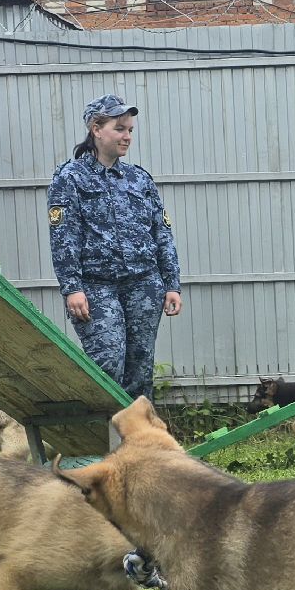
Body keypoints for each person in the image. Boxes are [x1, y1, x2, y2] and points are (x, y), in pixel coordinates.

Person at [48, 94, 182, 401]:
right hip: (96, 287)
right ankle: (104, 440)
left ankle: (139, 446)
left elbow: (162, 232)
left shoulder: (139, 179)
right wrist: (72, 288)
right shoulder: (69, 178)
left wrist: (171, 284)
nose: (127, 136)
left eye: (131, 130)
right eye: (120, 128)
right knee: (107, 362)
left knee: (140, 369)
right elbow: (63, 236)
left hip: (144, 285)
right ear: (96, 129)